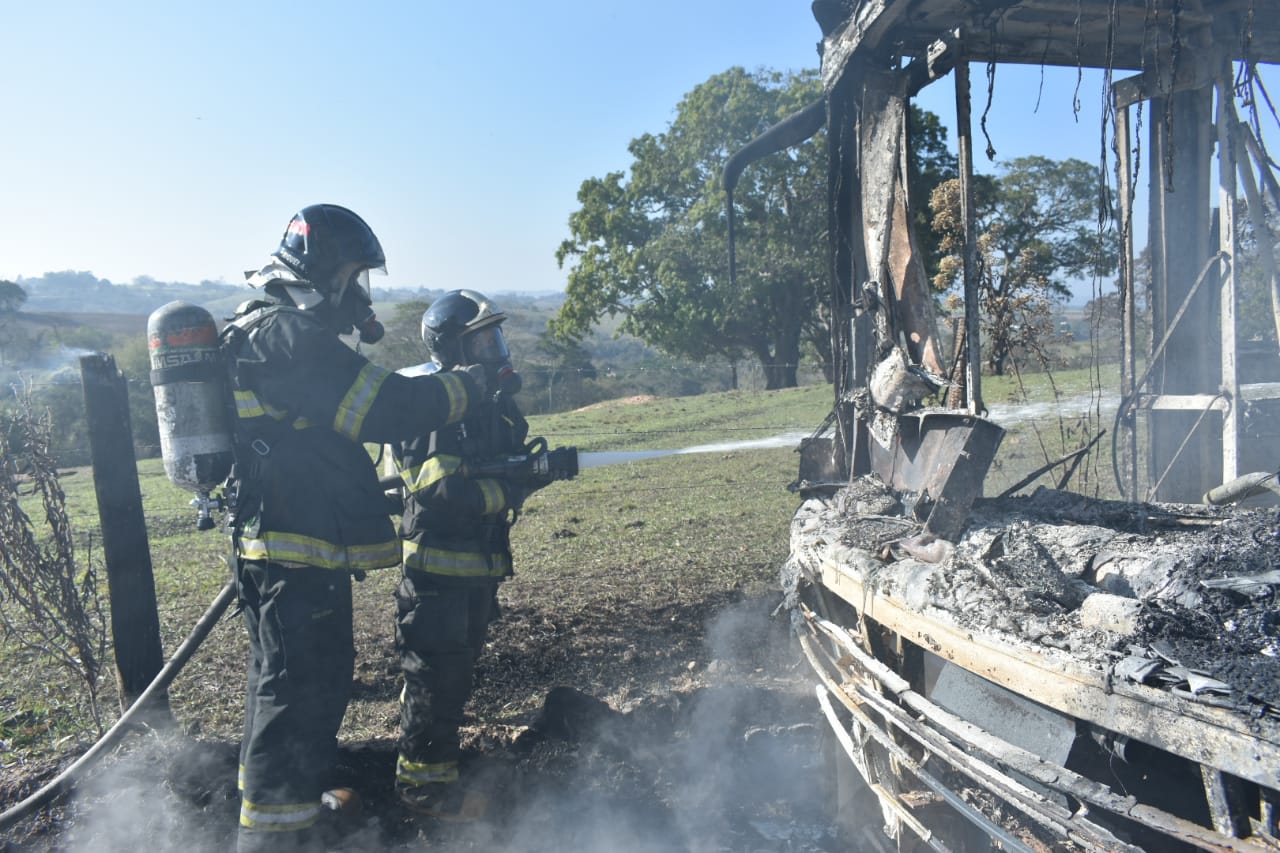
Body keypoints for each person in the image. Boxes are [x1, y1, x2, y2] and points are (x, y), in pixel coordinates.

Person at [220, 205, 487, 852]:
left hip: (286, 547)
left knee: (284, 684)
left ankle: (281, 810)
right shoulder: (288, 336)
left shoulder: (267, 329)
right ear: (329, 274)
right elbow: (387, 407)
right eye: (356, 275)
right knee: (299, 691)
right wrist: (467, 388)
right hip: (293, 551)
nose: (360, 293)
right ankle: (277, 838)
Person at [390, 289, 546, 820]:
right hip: (436, 575)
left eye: (496, 338)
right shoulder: (434, 405)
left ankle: (439, 778)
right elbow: (440, 491)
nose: (495, 351)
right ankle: (423, 793)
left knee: (453, 682)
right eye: (482, 342)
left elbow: (507, 463)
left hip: (477, 570)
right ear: (452, 348)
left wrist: (537, 472)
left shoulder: (493, 407)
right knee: (434, 683)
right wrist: (510, 490)